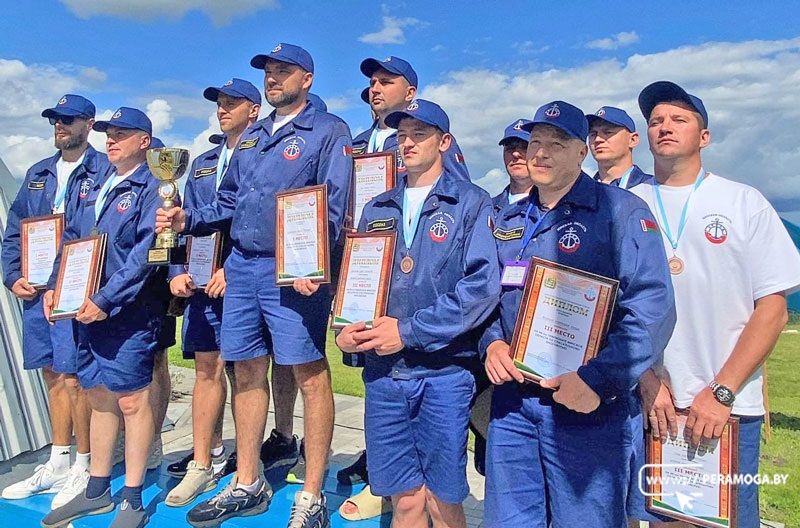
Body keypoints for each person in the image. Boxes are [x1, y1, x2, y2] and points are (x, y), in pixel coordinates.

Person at [156, 43, 352, 528]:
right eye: (268, 71)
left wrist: (315, 264)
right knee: (245, 370)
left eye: (284, 70)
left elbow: (334, 204)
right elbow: (227, 201)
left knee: (309, 375)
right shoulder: (253, 135)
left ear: (307, 79)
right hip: (242, 265)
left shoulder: (328, 130)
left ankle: (312, 494)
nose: (273, 78)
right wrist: (186, 219)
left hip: (293, 271)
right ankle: (248, 481)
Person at [481, 100, 675, 527]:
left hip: (587, 406)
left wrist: (597, 380)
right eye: (535, 142)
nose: (540, 153)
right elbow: (485, 296)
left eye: (556, 143)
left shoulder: (620, 212)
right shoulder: (507, 218)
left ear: (582, 152)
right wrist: (491, 343)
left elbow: (652, 307)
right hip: (514, 406)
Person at [628, 81, 800, 527]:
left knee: (725, 521)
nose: (665, 127)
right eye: (656, 121)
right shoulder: (628, 206)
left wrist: (722, 391)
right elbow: (614, 308)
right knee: (665, 521)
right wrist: (647, 381)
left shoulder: (743, 202)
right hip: (654, 403)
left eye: (679, 119)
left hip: (727, 406)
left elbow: (773, 310)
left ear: (704, 136)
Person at [336, 99, 500, 528]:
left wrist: (408, 332)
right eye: (402, 135)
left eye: (419, 134)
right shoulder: (377, 208)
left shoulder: (471, 203)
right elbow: (359, 285)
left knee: (442, 500)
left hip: (444, 373)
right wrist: (346, 330)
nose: (407, 143)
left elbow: (480, 289)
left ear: (444, 142)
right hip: (385, 375)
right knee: (405, 499)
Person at [41, 107, 168, 528]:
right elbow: (71, 239)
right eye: (108, 133)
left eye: (121, 133)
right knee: (97, 395)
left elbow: (147, 254)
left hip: (128, 312)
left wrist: (106, 299)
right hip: (84, 308)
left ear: (144, 141)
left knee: (131, 400)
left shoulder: (154, 187)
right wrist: (56, 286)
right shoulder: (93, 183)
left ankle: (132, 496)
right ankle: (97, 489)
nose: (111, 140)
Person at [1, 94, 110, 509]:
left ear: (89, 123)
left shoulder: (103, 170)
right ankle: (59, 458)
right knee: (51, 373)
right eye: (55, 120)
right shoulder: (38, 173)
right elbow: (15, 230)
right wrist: (12, 275)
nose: (59, 126)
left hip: (75, 288)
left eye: (68, 119)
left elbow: (103, 232)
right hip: (37, 291)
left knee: (76, 376)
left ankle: (85, 462)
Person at [163, 78, 261, 507]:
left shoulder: (262, 154)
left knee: (246, 373)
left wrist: (233, 269)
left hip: (243, 277)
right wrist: (176, 270)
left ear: (254, 109)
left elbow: (260, 220)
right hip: (200, 281)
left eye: (232, 103)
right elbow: (181, 221)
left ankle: (247, 465)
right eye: (219, 103)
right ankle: (204, 460)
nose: (223, 109)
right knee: (206, 368)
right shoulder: (202, 162)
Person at [353, 56, 470, 181]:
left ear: (409, 93)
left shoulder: (431, 137)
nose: (375, 89)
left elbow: (461, 186)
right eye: (372, 83)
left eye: (385, 82)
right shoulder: (357, 143)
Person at [586, 106, 651, 189]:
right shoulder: (579, 192)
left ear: (633, 140)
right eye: (593, 134)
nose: (597, 139)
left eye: (608, 132)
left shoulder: (652, 188)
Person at [492, 118, 533, 210]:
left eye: (525, 147)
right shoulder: (487, 209)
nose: (516, 154)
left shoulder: (554, 208)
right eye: (510, 147)